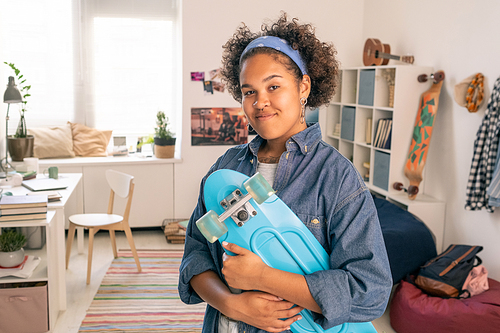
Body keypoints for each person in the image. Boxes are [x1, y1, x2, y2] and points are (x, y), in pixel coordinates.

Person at [179, 12, 392, 333]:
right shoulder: (225, 168)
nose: (260, 102)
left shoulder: (336, 177)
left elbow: (370, 290)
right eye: (248, 91)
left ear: (303, 86)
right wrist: (230, 303)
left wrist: (263, 277)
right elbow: (195, 253)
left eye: (273, 86)